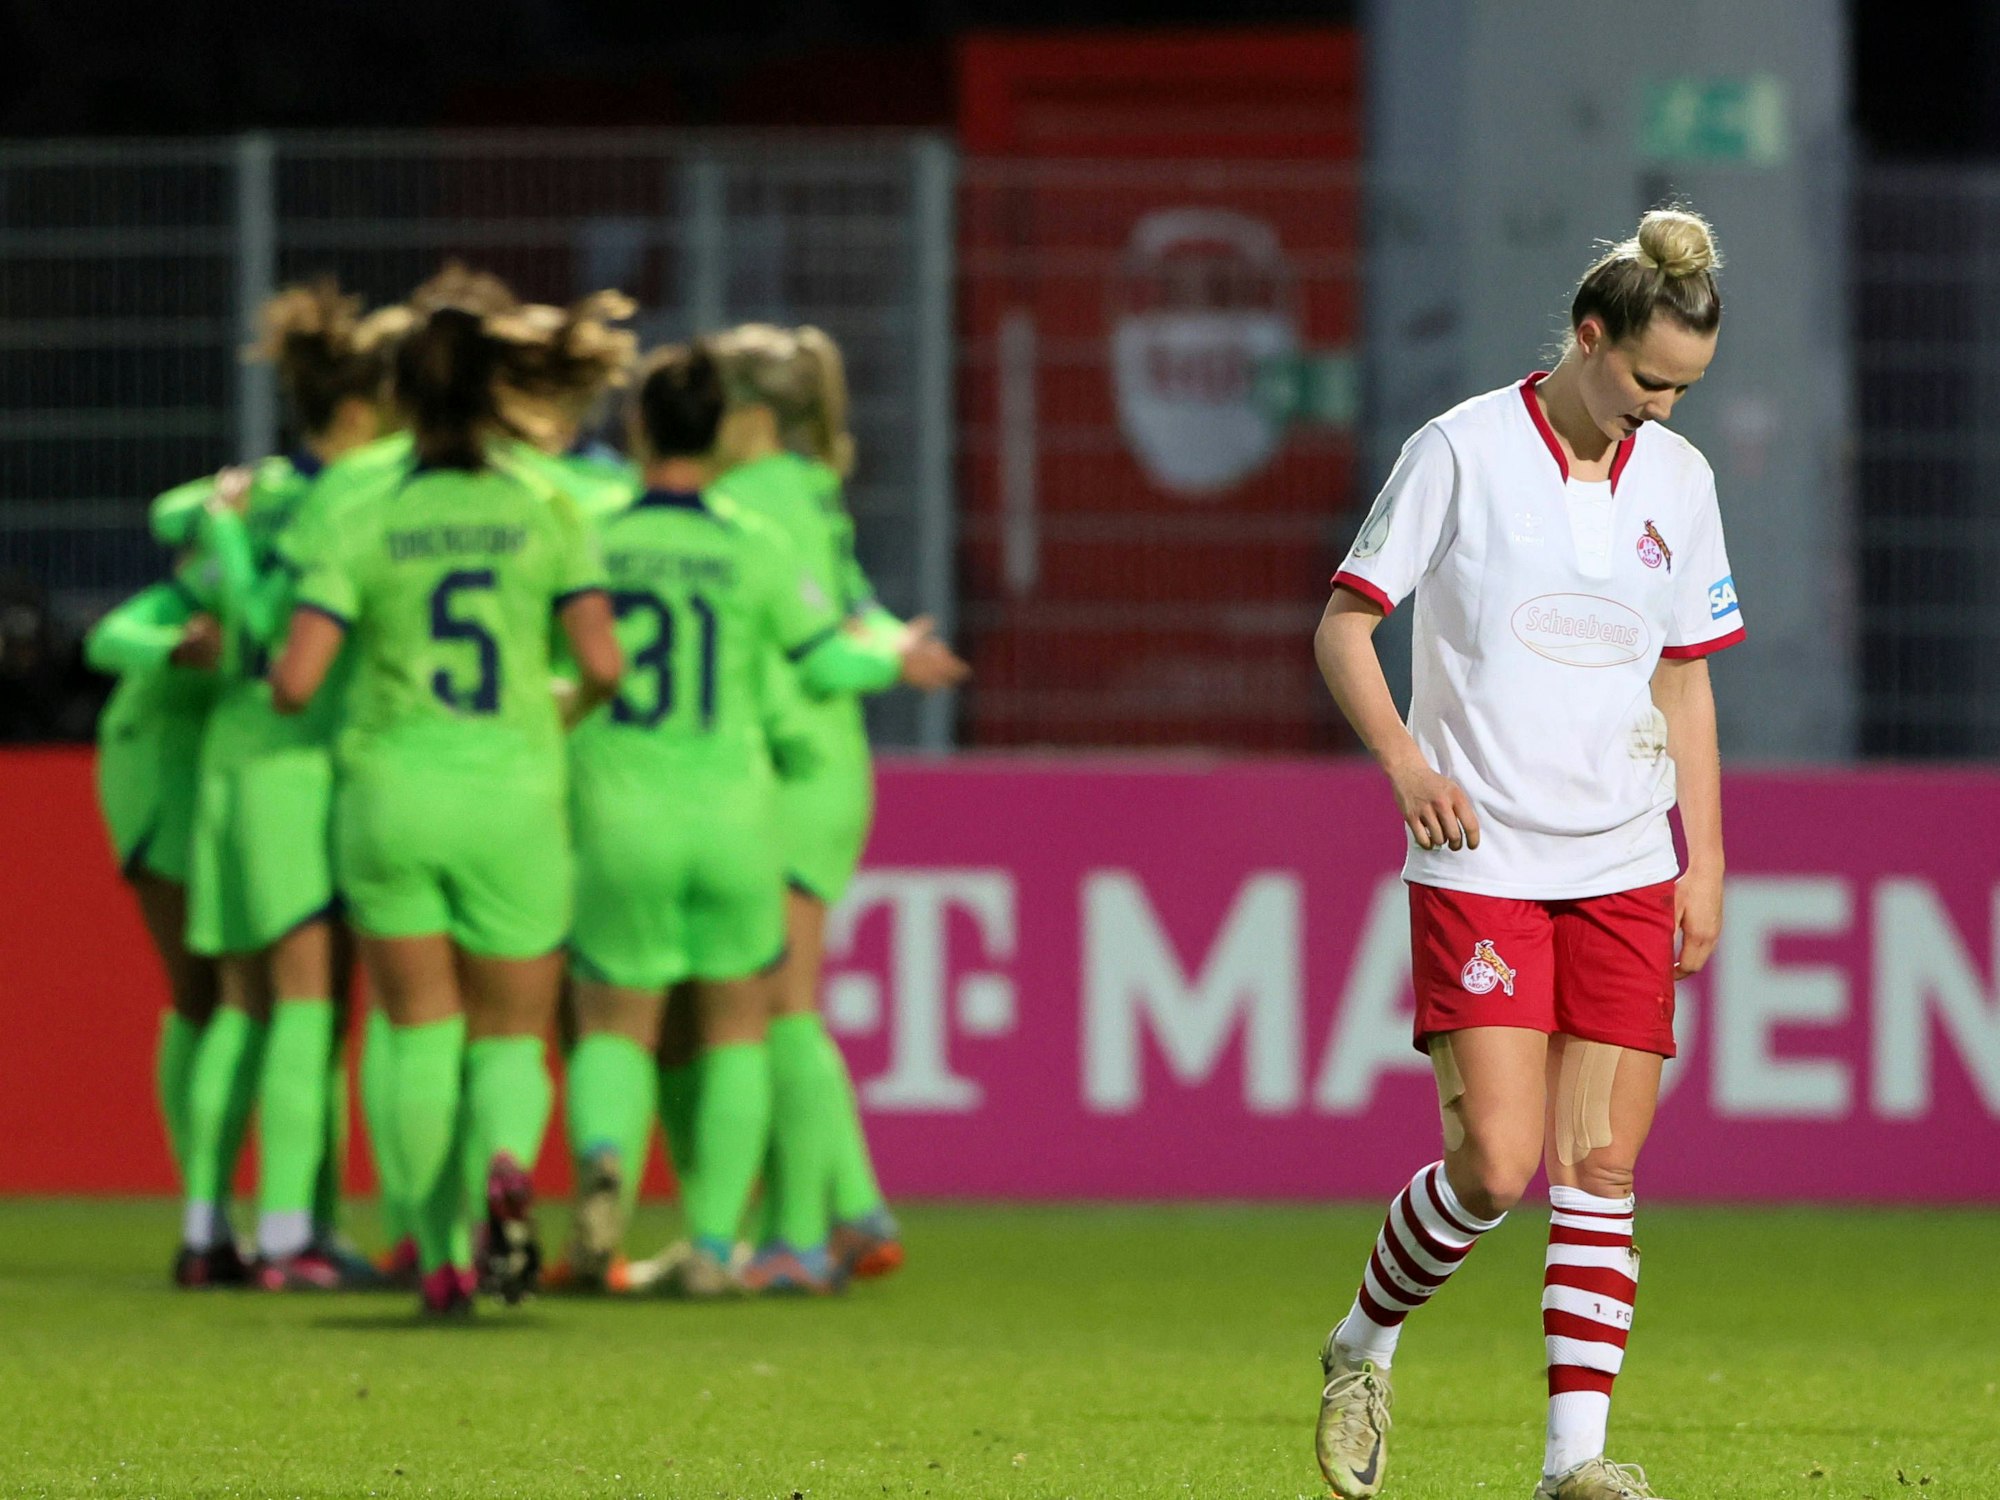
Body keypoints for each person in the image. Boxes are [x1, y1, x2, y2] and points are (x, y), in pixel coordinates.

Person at [1310, 208, 1743, 1500]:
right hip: (1484, 859)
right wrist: (1406, 762)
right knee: (1496, 1168)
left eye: (1684, 390)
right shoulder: (1459, 450)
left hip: (1624, 862)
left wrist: (1704, 859)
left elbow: (1684, 679)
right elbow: (1343, 627)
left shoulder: (1679, 481)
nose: (1660, 409)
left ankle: (1574, 1465)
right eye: (1648, 380)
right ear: (1589, 337)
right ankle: (1361, 1344)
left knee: (1599, 1167)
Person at [560, 342, 963, 1295]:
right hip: (751, 796)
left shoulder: (619, 527)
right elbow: (835, 633)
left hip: (687, 789)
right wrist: (893, 655)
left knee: (676, 1018)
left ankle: (774, 1226)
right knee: (754, 1018)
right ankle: (778, 1229)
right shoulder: (779, 511)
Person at [271, 298, 621, 1317]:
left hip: (393, 794)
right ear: (497, 391)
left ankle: (439, 1257)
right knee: (511, 1038)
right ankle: (506, 1164)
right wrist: (562, 705)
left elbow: (296, 680)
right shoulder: (548, 508)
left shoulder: (360, 513)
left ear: (399, 397)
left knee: (418, 1030)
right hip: (514, 791)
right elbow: (605, 662)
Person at [678, 323, 966, 1289]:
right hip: (828, 766)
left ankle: (797, 1240)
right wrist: (894, 648)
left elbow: (815, 641)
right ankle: (853, 1209)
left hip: (793, 770)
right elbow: (851, 609)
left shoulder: (751, 498)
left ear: (749, 415)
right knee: (783, 1004)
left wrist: (884, 658)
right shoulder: (806, 487)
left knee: (782, 1008)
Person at [176, 281, 406, 1290]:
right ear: (358, 410)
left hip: (228, 757)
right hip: (301, 760)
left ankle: (207, 1230)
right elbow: (285, 638)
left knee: (243, 1006)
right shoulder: (354, 499)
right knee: (312, 1006)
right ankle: (287, 1238)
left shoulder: (260, 494)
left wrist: (223, 530)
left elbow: (186, 556)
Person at [83, 556, 226, 1283]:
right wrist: (174, 647)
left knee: (258, 1005)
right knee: (201, 998)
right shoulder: (193, 592)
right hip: (166, 799)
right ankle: (206, 1208)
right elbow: (105, 639)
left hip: (229, 793)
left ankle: (256, 1218)